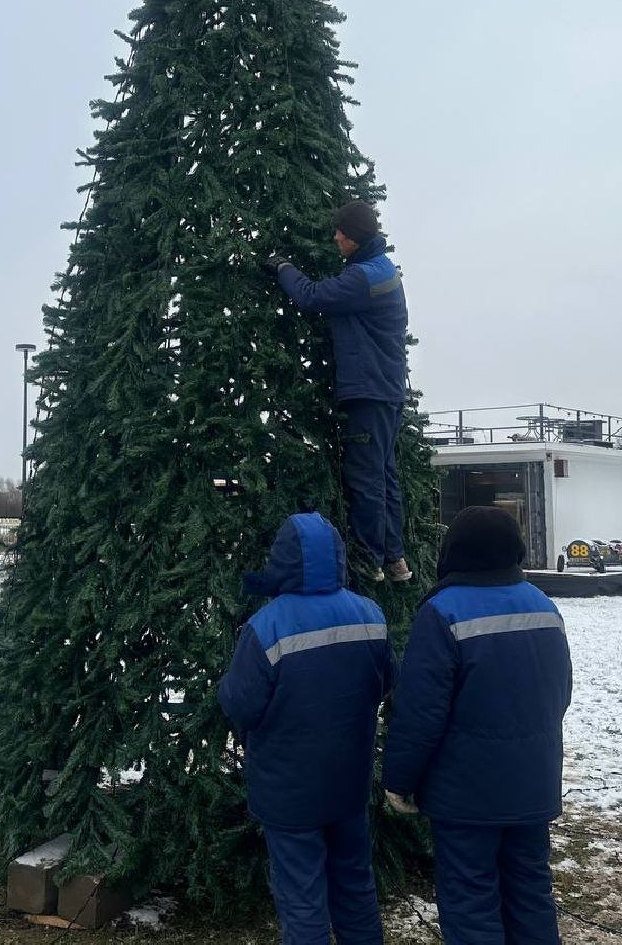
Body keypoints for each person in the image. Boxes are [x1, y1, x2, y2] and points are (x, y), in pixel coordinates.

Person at [382, 506, 572, 944]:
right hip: (533, 785)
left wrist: (400, 780)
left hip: (465, 795)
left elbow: (421, 713)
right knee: (531, 892)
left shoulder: (442, 612)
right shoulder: (543, 606)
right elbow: (560, 693)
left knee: (470, 900)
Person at [217, 511, 396, 945]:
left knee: (302, 898)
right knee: (356, 886)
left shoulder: (267, 626)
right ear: (337, 557)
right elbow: (387, 681)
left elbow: (240, 703)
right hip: (349, 782)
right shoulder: (369, 615)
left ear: (281, 560)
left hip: (288, 791)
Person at [263, 200, 411, 582]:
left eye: (339, 232)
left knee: (366, 476)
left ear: (354, 237)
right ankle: (395, 558)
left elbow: (312, 296)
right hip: (386, 389)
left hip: (369, 391)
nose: (334, 238)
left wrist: (283, 267)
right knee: (384, 474)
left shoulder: (363, 277)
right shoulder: (380, 269)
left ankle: (369, 559)